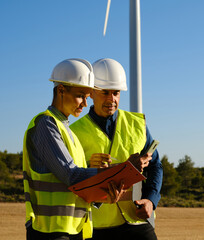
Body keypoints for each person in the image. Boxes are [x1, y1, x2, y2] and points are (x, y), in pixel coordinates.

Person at [22, 58, 126, 240]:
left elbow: (78, 187)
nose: (85, 104)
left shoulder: (68, 132)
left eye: (87, 97)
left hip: (72, 230)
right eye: (80, 96)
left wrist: (104, 195)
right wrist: (115, 174)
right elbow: (71, 176)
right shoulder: (46, 124)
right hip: (50, 231)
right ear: (61, 90)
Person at [70, 58, 163, 240]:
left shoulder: (137, 125)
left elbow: (155, 166)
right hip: (96, 226)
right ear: (91, 93)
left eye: (116, 93)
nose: (112, 99)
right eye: (105, 92)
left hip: (136, 221)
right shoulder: (74, 133)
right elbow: (70, 179)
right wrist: (90, 168)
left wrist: (151, 200)